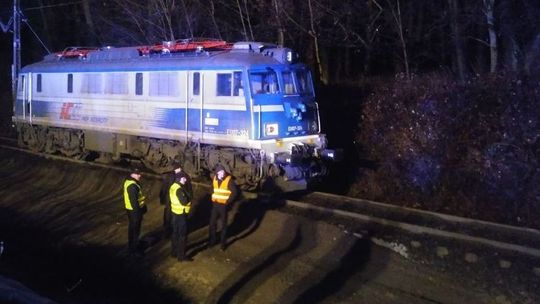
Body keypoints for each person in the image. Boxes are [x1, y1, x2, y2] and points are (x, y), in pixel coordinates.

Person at [208, 164, 238, 251]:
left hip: (223, 206)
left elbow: (234, 193)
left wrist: (228, 202)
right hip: (215, 205)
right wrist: (212, 196)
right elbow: (211, 189)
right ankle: (212, 241)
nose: (222, 174)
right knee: (212, 224)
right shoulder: (215, 180)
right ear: (217, 173)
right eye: (220, 172)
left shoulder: (229, 181)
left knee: (223, 225)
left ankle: (223, 244)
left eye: (223, 172)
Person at [160, 160, 193, 237]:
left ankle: (167, 234)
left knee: (168, 218)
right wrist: (189, 200)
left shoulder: (169, 176)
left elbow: (164, 188)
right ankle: (179, 234)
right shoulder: (185, 176)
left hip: (170, 202)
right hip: (181, 206)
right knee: (181, 222)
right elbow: (189, 190)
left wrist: (162, 199)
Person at [169, 172, 192, 261]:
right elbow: (184, 201)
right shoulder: (179, 189)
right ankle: (181, 256)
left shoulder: (173, 187)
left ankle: (174, 252)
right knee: (182, 235)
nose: (185, 180)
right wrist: (189, 198)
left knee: (175, 233)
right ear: (179, 179)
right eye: (184, 178)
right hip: (181, 214)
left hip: (175, 212)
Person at [123, 168, 146, 255]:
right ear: (132, 174)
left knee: (133, 228)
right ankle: (134, 249)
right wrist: (139, 212)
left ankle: (133, 245)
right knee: (135, 229)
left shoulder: (129, 182)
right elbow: (134, 202)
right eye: (137, 174)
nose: (140, 175)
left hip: (131, 210)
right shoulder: (132, 186)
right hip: (135, 212)